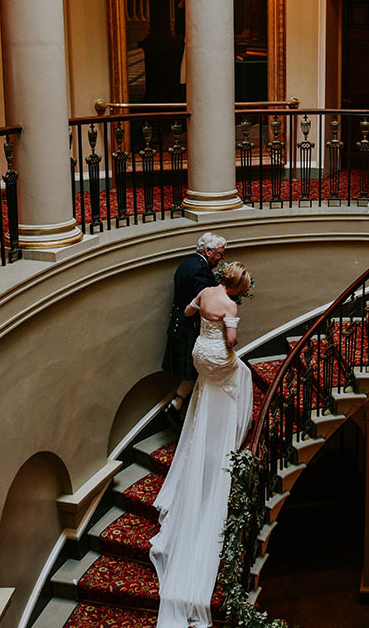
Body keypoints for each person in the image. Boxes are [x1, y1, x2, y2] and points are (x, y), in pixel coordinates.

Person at [150, 261, 254, 628]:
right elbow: (231, 341)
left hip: (198, 355)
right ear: (238, 287)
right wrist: (228, 328)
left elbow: (191, 311)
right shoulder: (231, 306)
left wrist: (205, 325)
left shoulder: (206, 291)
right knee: (240, 370)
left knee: (216, 379)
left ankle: (201, 417)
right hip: (217, 357)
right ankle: (229, 427)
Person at [162, 232, 226, 425]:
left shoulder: (187, 264)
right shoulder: (201, 271)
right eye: (219, 254)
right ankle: (177, 406)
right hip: (190, 327)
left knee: (191, 371)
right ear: (208, 251)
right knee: (194, 371)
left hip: (178, 325)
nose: (221, 258)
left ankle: (178, 405)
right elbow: (205, 303)